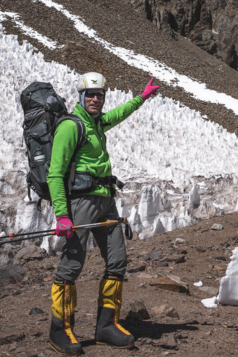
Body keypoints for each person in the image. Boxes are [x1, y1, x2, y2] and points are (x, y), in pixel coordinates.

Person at [47, 72, 159, 355]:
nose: (96, 99)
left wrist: (141, 98)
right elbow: (55, 174)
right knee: (71, 266)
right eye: (91, 95)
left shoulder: (96, 123)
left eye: (100, 95)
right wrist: (62, 215)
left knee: (117, 261)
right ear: (81, 97)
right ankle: (60, 330)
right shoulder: (72, 127)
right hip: (81, 204)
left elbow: (118, 115)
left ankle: (106, 327)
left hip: (105, 201)